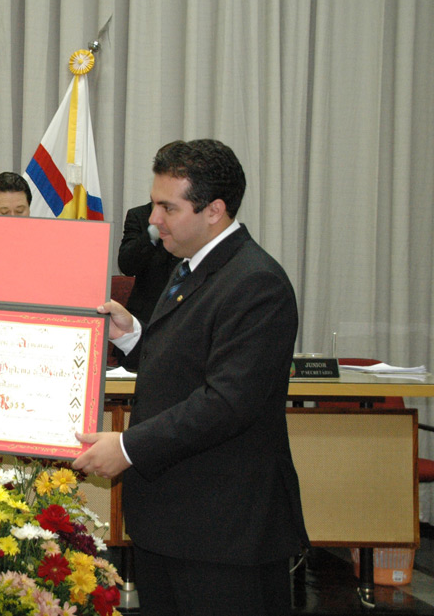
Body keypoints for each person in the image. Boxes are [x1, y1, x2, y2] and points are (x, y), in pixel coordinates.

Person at [73, 140, 308, 616]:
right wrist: (133, 337)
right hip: (174, 523)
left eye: (167, 207)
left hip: (225, 531)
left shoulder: (255, 282)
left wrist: (125, 447)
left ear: (214, 210)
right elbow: (186, 366)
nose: (153, 219)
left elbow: (226, 402)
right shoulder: (190, 268)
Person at [112, 201, 181, 369]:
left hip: (182, 314)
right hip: (145, 316)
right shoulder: (139, 215)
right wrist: (151, 235)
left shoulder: (190, 216)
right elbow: (126, 265)